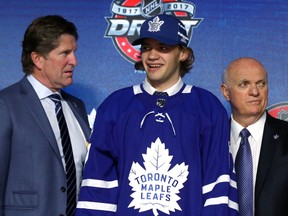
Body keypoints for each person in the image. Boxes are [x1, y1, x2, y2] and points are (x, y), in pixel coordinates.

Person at [76, 14, 238, 216]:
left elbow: (218, 185)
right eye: (146, 47)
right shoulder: (116, 106)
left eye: (163, 48)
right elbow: (99, 186)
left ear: (183, 54)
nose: (152, 56)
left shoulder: (207, 107)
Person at [0, 15, 91, 216]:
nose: (74, 61)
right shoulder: (5, 104)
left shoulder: (77, 107)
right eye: (65, 53)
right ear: (38, 59)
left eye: (74, 52)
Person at [220, 57, 288, 216]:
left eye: (261, 84)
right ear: (226, 92)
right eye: (244, 84)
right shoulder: (210, 141)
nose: (255, 92)